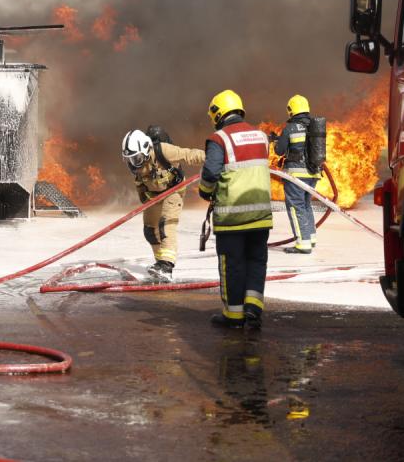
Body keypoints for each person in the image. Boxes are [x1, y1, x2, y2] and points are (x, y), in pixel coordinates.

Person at [197, 90, 273, 330]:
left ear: (218, 113)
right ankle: (253, 309)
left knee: (233, 265)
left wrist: (205, 191)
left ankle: (233, 315)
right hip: (261, 216)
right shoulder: (261, 136)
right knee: (256, 261)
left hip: (233, 218)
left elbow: (210, 172)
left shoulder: (219, 139)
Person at [121, 127, 205, 283]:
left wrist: (213, 158)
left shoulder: (163, 151)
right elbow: (141, 186)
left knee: (166, 225)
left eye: (137, 158)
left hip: (174, 191)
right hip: (154, 196)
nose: (134, 163)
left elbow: (189, 155)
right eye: (131, 159)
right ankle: (160, 262)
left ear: (146, 150)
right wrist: (145, 200)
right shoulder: (138, 168)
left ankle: (166, 265)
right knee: (150, 231)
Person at [270, 94, 320, 253]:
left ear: (291, 110)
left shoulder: (290, 128)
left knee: (296, 207)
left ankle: (303, 244)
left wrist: (277, 141)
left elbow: (280, 151)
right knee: (306, 205)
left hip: (296, 175)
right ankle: (310, 238)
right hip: (313, 175)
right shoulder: (314, 126)